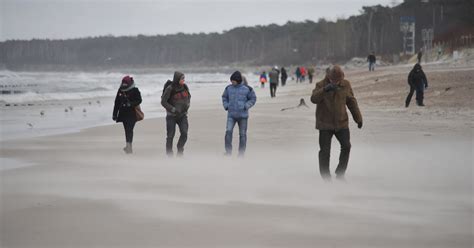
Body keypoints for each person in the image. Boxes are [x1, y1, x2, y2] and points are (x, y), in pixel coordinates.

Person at [310, 65, 363, 180]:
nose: (336, 82)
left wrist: (358, 118)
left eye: (338, 80)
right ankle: (326, 177)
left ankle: (340, 174)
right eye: (334, 80)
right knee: (325, 151)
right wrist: (325, 90)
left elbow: (351, 102)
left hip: (341, 123)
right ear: (329, 77)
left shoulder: (346, 84)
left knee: (346, 146)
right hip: (325, 124)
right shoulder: (320, 85)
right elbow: (313, 99)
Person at [222, 71, 257, 156]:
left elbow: (253, 98)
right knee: (228, 132)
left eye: (233, 81)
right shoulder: (228, 88)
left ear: (237, 80)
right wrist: (226, 106)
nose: (232, 82)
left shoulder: (247, 89)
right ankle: (228, 152)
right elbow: (224, 97)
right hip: (231, 115)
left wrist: (246, 105)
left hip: (243, 116)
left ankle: (241, 154)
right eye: (231, 81)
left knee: (242, 135)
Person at [161, 71, 191, 157]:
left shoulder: (185, 87)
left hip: (183, 115)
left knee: (184, 133)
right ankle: (169, 154)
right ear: (177, 79)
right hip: (171, 116)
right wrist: (172, 109)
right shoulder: (170, 88)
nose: (183, 80)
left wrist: (188, 104)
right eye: (182, 78)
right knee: (170, 136)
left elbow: (189, 96)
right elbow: (163, 102)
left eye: (184, 78)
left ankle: (180, 148)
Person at [113, 75, 142, 154]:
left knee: (129, 129)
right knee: (127, 130)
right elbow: (117, 103)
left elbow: (139, 100)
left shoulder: (135, 90)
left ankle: (129, 146)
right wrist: (114, 114)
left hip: (132, 114)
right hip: (123, 114)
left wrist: (131, 104)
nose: (124, 85)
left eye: (126, 84)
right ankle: (128, 145)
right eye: (123, 83)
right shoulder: (120, 90)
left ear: (129, 83)